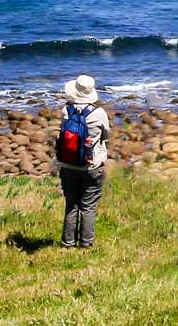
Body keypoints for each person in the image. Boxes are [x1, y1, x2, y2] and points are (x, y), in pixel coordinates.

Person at [56, 74, 110, 249]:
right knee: (88, 206)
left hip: (68, 164)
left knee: (71, 204)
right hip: (91, 165)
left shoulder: (66, 111)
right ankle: (86, 244)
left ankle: (67, 242)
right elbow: (105, 135)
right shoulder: (99, 113)